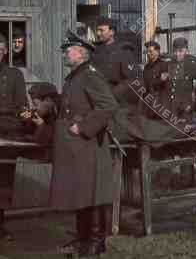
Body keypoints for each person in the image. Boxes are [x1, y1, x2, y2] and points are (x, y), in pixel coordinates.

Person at [53, 30, 120, 257]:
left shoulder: (90, 75)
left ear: (81, 53)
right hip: (76, 147)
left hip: (89, 144)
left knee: (92, 194)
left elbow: (109, 105)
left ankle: (95, 241)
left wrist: (83, 127)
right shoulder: (75, 77)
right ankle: (82, 239)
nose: (65, 53)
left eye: (68, 49)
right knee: (79, 193)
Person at [0, 33, 27, 241]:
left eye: (1, 49)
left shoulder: (15, 74)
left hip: (8, 131)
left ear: (5, 52)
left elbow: (21, 105)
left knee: (4, 180)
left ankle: (1, 226)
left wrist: (26, 118)